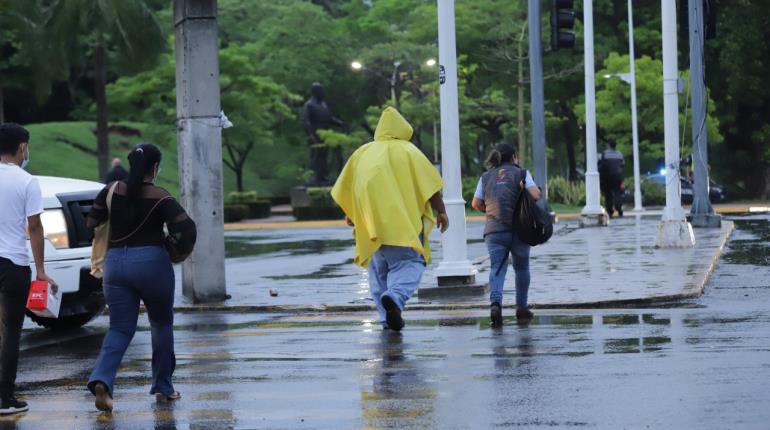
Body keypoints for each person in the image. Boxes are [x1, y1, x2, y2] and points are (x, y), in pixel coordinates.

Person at [86, 143, 197, 412]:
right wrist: (178, 250)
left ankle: (102, 379)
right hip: (151, 263)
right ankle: (163, 386)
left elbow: (92, 223)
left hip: (115, 264)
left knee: (120, 328)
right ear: (155, 167)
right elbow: (187, 227)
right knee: (160, 323)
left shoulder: (111, 190)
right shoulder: (160, 197)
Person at [332, 107, 448, 332]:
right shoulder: (409, 151)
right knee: (410, 263)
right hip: (401, 224)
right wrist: (441, 211)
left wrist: (351, 213)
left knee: (379, 272)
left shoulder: (362, 152)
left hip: (369, 225)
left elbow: (350, 187)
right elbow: (431, 187)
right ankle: (394, 298)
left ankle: (386, 318)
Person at [0, 123, 58, 415]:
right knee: (10, 332)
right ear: (22, 147)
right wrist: (41, 270)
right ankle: (5, 398)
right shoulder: (26, 181)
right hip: (13, 264)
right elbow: (34, 226)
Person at [471, 143, 541, 327]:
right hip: (519, 229)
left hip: (494, 230)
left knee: (497, 267)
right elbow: (535, 195)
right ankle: (522, 308)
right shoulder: (522, 173)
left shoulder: (485, 177)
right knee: (522, 268)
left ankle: (495, 304)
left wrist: (489, 212)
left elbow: (475, 203)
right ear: (513, 157)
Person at [301, 82, 345, 185]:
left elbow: (329, 118)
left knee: (324, 157)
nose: (323, 92)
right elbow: (305, 121)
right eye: (321, 90)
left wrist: (340, 123)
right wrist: (310, 135)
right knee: (316, 157)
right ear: (315, 91)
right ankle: (314, 177)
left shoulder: (323, 104)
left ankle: (323, 176)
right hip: (315, 135)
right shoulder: (309, 105)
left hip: (326, 135)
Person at [598, 140, 625, 217]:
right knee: (618, 193)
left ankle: (610, 211)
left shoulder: (604, 154)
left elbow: (600, 165)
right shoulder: (620, 154)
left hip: (607, 177)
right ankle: (619, 208)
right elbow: (622, 165)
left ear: (608, 145)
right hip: (617, 177)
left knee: (608, 194)